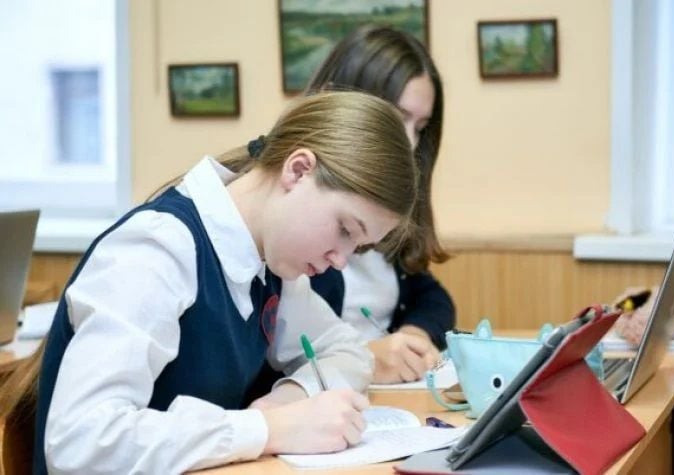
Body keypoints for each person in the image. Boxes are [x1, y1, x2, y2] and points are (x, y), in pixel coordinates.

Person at [0, 91, 418, 474]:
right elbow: (81, 442)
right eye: (344, 229)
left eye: (357, 246)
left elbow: (348, 352)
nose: (340, 260)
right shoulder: (158, 249)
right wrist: (268, 428)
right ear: (298, 170)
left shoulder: (271, 263)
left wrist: (288, 400)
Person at [303, 25, 456, 384]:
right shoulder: (297, 222)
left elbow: (432, 297)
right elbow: (279, 354)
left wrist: (414, 336)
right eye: (397, 118)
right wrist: (366, 359)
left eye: (420, 127)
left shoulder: (386, 217)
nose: (410, 143)